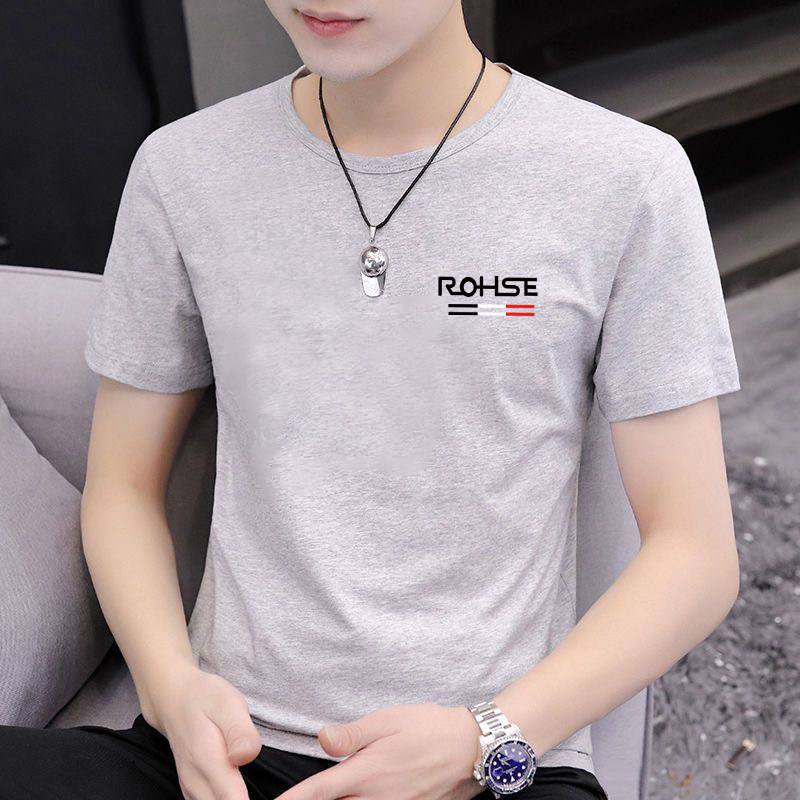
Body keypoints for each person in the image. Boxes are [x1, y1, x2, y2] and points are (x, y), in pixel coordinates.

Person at [0, 1, 743, 799]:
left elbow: (695, 555)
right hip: (226, 753)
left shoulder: (626, 179)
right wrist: (170, 688)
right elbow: (123, 487)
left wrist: (484, 738)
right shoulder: (183, 169)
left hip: (484, 769)